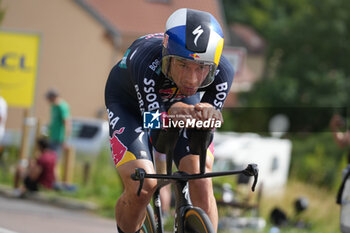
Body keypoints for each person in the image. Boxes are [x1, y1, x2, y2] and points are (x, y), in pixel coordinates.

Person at [105, 8, 234, 233]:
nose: (192, 79)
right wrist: (175, 109)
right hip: (130, 106)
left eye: (202, 68)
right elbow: (153, 128)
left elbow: (203, 135)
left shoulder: (224, 71)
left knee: (200, 175)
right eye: (183, 65)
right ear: (167, 55)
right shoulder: (145, 59)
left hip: (178, 105)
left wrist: (209, 113)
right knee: (143, 186)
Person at [45, 88, 71, 159]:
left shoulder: (62, 106)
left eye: (49, 98)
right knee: (50, 160)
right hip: (53, 137)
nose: (48, 100)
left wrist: (65, 140)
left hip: (59, 139)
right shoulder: (53, 106)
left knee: (54, 161)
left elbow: (67, 123)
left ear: (53, 97)